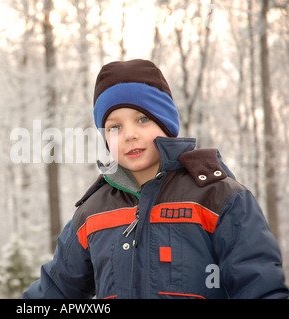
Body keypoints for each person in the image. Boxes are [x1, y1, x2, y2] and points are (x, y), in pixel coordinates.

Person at [23, 59, 289, 299]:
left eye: (143, 119)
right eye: (115, 127)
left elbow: (260, 287)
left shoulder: (219, 198)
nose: (129, 135)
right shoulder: (92, 213)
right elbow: (55, 290)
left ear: (166, 123)